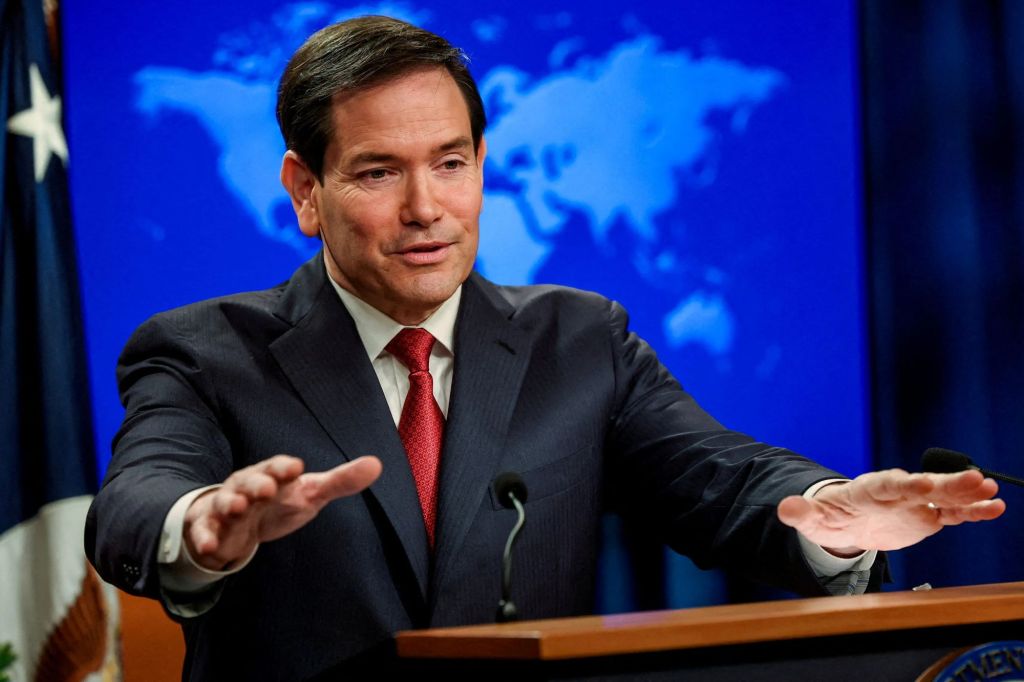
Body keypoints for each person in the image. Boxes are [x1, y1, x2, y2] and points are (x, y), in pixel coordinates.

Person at [84, 15, 1005, 681]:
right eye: (377, 172)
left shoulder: (579, 338)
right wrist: (202, 526)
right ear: (306, 189)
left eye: (450, 162)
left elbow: (717, 475)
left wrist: (833, 510)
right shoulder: (206, 352)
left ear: (482, 164)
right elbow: (135, 503)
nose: (426, 209)